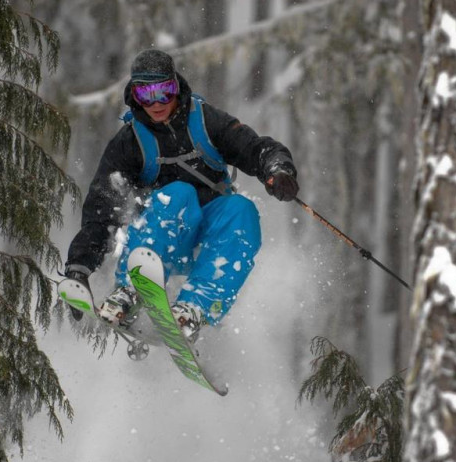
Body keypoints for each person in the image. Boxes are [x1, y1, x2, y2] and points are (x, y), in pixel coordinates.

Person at [64, 49, 299, 341]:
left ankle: (193, 308)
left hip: (208, 243)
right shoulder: (130, 142)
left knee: (243, 209)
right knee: (177, 193)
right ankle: (130, 291)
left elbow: (255, 148)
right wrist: (80, 266)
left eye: (164, 91)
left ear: (176, 87)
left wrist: (277, 169)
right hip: (159, 245)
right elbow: (102, 209)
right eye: (146, 94)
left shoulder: (206, 122)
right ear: (134, 96)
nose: (156, 103)